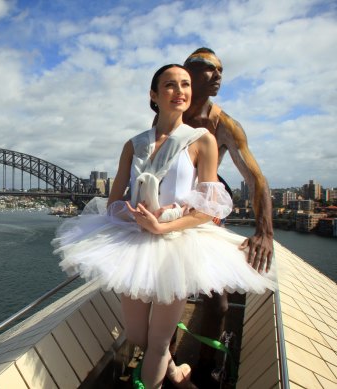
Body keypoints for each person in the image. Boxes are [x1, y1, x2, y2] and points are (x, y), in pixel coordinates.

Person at [52, 64, 276, 389]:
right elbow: (114, 202)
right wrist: (131, 214)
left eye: (185, 84)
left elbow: (207, 209)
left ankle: (158, 378)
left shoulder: (204, 141)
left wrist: (163, 226)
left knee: (157, 344)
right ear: (154, 95)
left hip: (177, 246)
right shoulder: (133, 145)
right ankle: (175, 372)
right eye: (170, 85)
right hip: (134, 241)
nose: (180, 91)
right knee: (136, 334)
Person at [182, 48, 275, 382]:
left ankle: (205, 371)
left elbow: (257, 180)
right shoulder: (170, 111)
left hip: (204, 211)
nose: (218, 75)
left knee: (218, 304)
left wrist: (265, 232)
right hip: (169, 210)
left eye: (221, 70)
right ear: (188, 72)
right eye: (209, 68)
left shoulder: (226, 125)